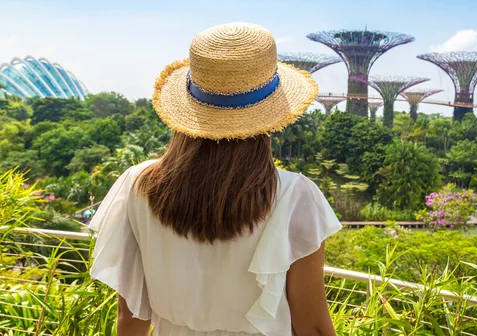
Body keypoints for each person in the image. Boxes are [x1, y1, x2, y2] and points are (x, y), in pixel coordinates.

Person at [89, 22, 342, 336]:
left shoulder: (138, 186)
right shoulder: (294, 196)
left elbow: (131, 320)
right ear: (271, 114)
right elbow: (312, 326)